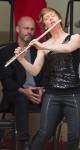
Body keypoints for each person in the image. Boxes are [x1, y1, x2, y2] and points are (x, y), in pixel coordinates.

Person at [14, 8, 80, 150]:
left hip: (73, 93)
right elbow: (35, 70)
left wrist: (43, 46)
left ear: (60, 20)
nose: (51, 18)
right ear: (45, 25)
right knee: (44, 133)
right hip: (52, 94)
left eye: (53, 15)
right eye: (47, 18)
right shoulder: (44, 46)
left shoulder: (75, 37)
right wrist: (21, 59)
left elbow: (68, 48)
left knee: (75, 136)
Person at [0, 16, 48, 150]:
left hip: (37, 92)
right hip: (16, 93)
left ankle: (38, 140)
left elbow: (45, 76)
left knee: (57, 99)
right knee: (22, 99)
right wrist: (24, 91)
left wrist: (42, 89)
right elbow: (6, 80)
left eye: (32, 29)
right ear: (17, 29)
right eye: (26, 28)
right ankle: (24, 143)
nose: (30, 32)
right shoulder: (6, 52)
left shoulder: (38, 52)